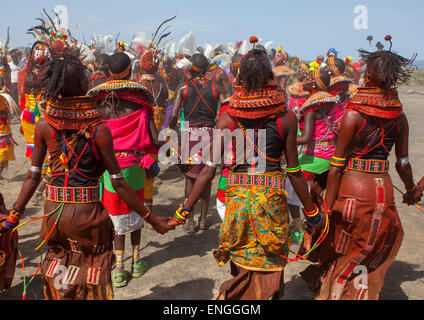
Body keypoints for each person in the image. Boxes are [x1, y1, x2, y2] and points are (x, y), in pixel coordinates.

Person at [0, 46, 172, 300]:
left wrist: (13, 216)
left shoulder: (45, 125)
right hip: (88, 216)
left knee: (59, 270)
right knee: (92, 276)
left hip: (54, 213)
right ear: (82, 85)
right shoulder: (99, 130)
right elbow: (119, 182)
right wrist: (152, 218)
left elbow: (33, 176)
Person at [168, 47, 323, 300]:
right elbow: (294, 172)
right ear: (269, 76)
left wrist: (183, 211)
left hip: (238, 202)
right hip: (271, 203)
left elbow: (208, 170)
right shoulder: (286, 118)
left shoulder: (228, 116)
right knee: (270, 270)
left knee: (241, 268)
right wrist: (312, 213)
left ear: (240, 78)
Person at [300, 44, 422, 300]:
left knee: (344, 245)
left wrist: (326, 208)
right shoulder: (399, 116)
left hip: (352, 188)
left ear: (368, 76)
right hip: (383, 190)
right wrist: (411, 190)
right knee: (369, 248)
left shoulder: (353, 114)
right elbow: (402, 164)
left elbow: (336, 167)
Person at [88, 52, 163, 287]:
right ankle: (136, 262)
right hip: (133, 166)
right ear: (131, 70)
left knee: (115, 214)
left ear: (108, 70)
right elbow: (153, 136)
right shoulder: (140, 99)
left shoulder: (98, 100)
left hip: (107, 167)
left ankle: (118, 269)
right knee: (136, 209)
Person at [169, 53, 226, 233]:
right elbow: (226, 112)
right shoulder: (217, 88)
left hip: (190, 136)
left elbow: (173, 116)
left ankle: (189, 220)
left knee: (190, 178)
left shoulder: (182, 88)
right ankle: (203, 219)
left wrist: (172, 132)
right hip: (210, 135)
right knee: (206, 178)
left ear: (191, 68)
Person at [297, 68, 338, 210]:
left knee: (292, 186)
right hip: (331, 154)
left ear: (314, 84)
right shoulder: (327, 104)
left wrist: (284, 139)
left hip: (315, 158)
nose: (304, 80)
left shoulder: (311, 110)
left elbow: (306, 138)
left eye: (308, 78)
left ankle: (299, 224)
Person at [326, 56, 352, 127]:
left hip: (337, 113)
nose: (325, 68)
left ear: (335, 68)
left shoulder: (338, 81)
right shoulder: (341, 80)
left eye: (327, 66)